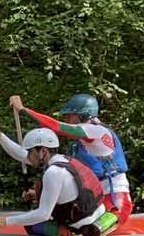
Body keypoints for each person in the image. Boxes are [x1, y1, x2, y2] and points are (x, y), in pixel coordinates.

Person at [12, 93, 134, 225]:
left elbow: (56, 127)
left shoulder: (97, 131)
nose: (66, 119)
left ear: (82, 115)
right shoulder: (79, 145)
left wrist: (23, 109)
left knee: (91, 231)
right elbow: (31, 159)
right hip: (95, 201)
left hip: (115, 202)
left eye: (69, 115)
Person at [0, 124, 117, 236]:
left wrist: (7, 221)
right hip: (98, 221)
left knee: (32, 224)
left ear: (43, 151)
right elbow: (21, 155)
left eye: (31, 152)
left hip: (81, 233)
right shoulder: (66, 160)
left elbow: (42, 215)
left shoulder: (53, 172)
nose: (28, 157)